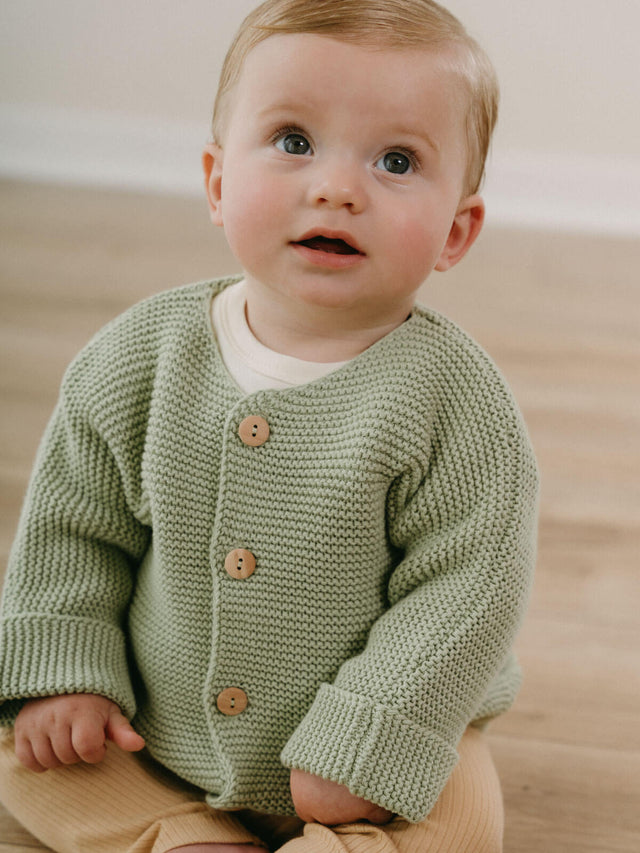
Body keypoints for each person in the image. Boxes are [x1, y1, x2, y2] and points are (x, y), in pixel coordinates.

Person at [0, 1, 539, 851]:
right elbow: (75, 530)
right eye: (294, 141)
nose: (336, 187)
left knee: (462, 817)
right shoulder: (141, 356)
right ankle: (181, 833)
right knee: (29, 759)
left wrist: (369, 736)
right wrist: (69, 675)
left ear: (455, 231)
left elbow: (466, 591)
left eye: (396, 160)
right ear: (218, 183)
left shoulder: (454, 403)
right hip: (158, 722)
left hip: (378, 750)